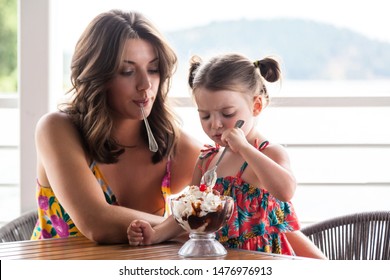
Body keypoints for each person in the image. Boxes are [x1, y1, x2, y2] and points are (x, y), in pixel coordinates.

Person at [127, 53, 327, 259]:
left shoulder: (268, 153)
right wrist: (155, 234)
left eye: (228, 114)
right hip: (219, 257)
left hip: (263, 258)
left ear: (256, 106)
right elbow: (189, 212)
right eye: (205, 115)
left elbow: (285, 190)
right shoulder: (207, 160)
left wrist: (245, 149)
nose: (215, 124)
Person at [31, 10, 201, 244]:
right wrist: (182, 226)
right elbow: (96, 222)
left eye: (153, 69)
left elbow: (230, 199)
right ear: (97, 76)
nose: (145, 85)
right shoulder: (57, 129)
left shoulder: (177, 147)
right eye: (127, 71)